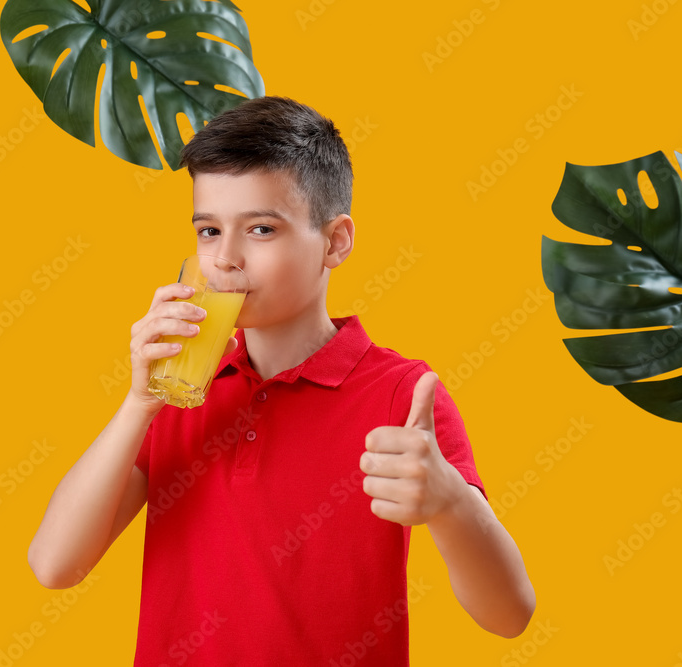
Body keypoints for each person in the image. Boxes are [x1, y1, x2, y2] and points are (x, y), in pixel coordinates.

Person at [27, 95, 535, 664]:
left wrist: (449, 505)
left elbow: (509, 614)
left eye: (261, 229)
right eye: (209, 231)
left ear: (336, 241)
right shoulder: (178, 389)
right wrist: (138, 403)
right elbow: (55, 565)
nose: (225, 259)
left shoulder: (402, 394)